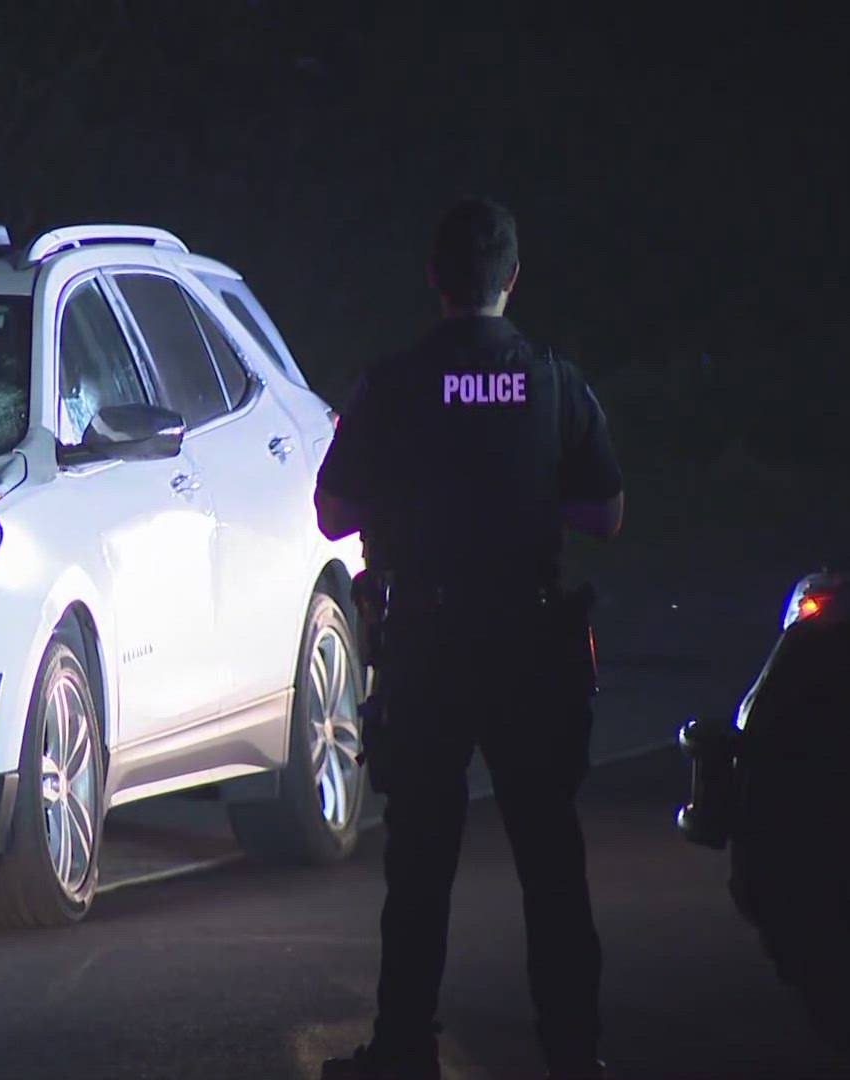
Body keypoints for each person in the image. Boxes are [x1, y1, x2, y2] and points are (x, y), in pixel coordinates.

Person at [314, 197, 624, 1080]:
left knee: (419, 863)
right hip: (529, 644)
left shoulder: (394, 382)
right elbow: (606, 510)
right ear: (512, 278)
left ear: (434, 279)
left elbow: (333, 512)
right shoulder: (554, 378)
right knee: (551, 859)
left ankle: (406, 1049)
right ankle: (575, 1053)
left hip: (428, 644)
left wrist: (419, 503)